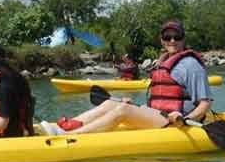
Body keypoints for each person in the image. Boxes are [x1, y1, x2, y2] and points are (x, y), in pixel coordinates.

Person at [42, 20, 212, 135]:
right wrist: (141, 108)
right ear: (161, 40)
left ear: (184, 39)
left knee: (123, 111)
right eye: (167, 37)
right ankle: (64, 126)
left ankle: (71, 136)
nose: (172, 41)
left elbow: (205, 103)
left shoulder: (191, 65)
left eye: (177, 37)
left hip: (176, 121)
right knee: (111, 103)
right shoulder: (164, 60)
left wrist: (186, 119)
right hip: (158, 115)